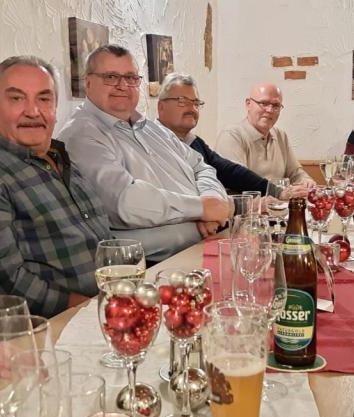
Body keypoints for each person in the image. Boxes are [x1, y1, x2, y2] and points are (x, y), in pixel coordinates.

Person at [0, 56, 112, 318]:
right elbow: (6, 287)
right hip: (55, 328)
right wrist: (94, 311)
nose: (33, 111)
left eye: (44, 99)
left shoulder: (61, 159)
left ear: (55, 108)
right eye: (17, 98)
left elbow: (105, 242)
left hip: (107, 307)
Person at [58, 45, 230, 262]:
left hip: (206, 247)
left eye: (131, 78)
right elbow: (126, 202)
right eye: (111, 77)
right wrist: (201, 209)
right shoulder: (81, 135)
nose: (123, 86)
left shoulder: (151, 128)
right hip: (149, 268)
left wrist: (212, 200)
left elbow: (201, 167)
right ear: (88, 83)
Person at [154, 72, 309, 201]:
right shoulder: (153, 142)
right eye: (182, 101)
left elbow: (231, 172)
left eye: (195, 103)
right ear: (161, 107)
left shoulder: (194, 142)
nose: (192, 109)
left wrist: (277, 192)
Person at [215, 82, 316, 186]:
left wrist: (306, 181)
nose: (270, 110)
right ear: (248, 104)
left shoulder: (280, 135)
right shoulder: (232, 135)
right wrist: (278, 192)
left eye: (276, 105)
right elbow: (239, 181)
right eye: (264, 103)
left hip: (278, 196)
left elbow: (295, 174)